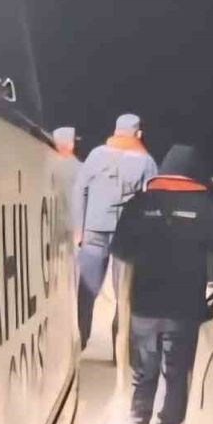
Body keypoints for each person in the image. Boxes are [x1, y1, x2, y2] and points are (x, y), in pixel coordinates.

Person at [111, 144, 213, 424]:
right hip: (184, 308)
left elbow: (121, 250)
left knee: (144, 371)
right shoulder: (209, 208)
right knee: (176, 373)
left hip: (144, 305)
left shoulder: (139, 204)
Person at [71, 113, 158, 358]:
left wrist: (79, 228)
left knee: (87, 291)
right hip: (127, 236)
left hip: (93, 230)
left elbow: (80, 189)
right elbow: (153, 201)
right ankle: (120, 353)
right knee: (125, 297)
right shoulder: (146, 161)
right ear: (138, 134)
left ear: (116, 131)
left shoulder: (96, 155)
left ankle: (80, 343)